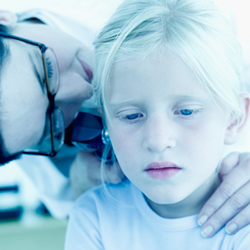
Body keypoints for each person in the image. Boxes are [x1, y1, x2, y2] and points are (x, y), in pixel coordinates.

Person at [0, 1, 249, 236]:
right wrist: (78, 188)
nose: (81, 89)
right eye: (52, 121)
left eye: (48, 71)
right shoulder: (22, 135)